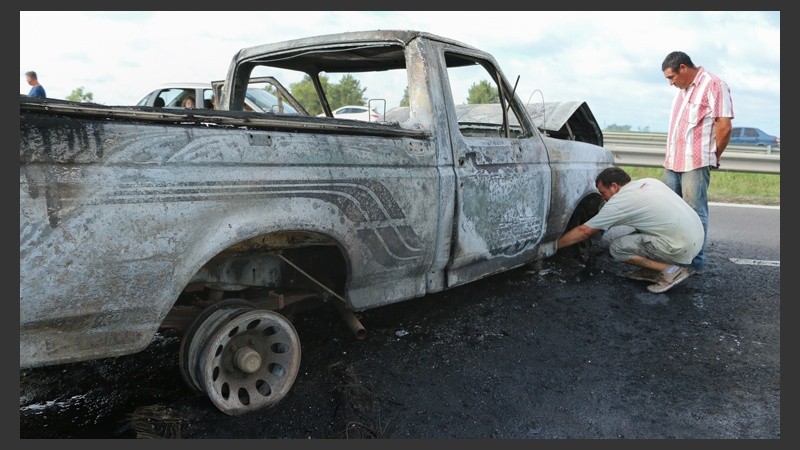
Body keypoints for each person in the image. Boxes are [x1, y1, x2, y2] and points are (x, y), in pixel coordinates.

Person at [556, 167, 704, 293]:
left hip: (679, 246)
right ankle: (653, 270)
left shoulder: (619, 202)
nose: (603, 198)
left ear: (614, 186)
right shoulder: (649, 182)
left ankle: (671, 271)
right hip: (696, 238)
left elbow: (584, 231)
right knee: (640, 231)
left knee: (617, 248)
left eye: (603, 193)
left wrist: (552, 246)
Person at [661, 51, 734, 272]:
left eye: (671, 78)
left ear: (683, 68)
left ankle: (693, 262)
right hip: (673, 161)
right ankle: (672, 257)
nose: (671, 83)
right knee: (668, 210)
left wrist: (714, 154)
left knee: (694, 212)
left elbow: (724, 125)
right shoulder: (682, 90)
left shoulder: (713, 84)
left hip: (696, 160)